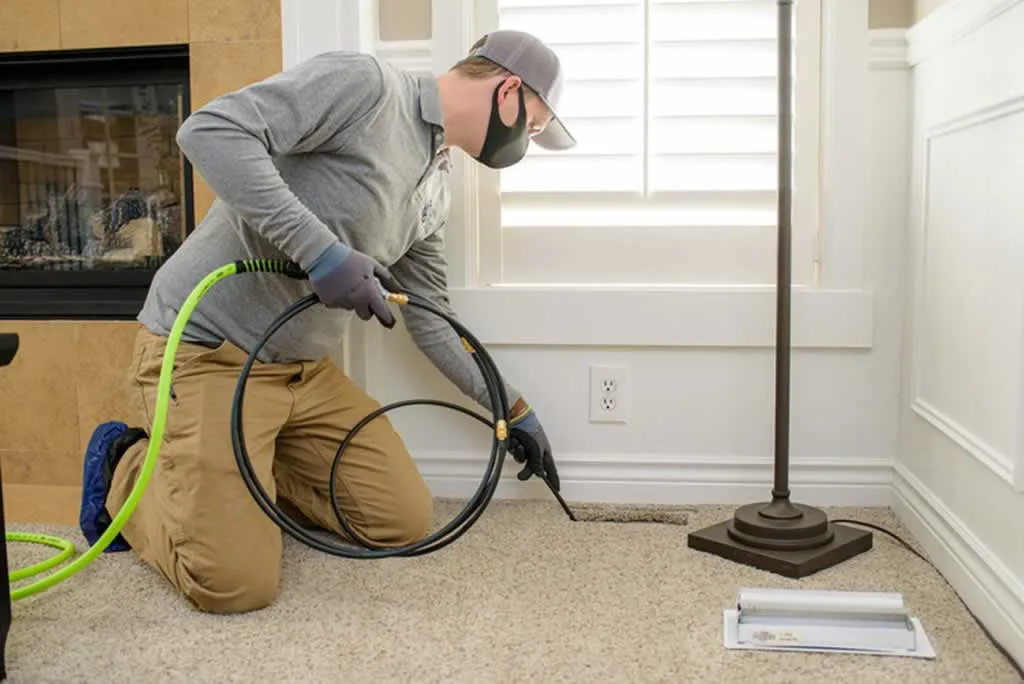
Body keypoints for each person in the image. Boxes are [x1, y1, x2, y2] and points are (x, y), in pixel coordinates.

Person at [78, 30, 576, 614]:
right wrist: (321, 253)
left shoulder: (436, 191)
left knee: (403, 521)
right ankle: (126, 466)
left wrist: (511, 408)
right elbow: (209, 131)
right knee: (234, 584)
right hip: (207, 350)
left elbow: (434, 322)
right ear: (509, 90)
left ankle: (242, 475)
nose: (530, 140)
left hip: (301, 374)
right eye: (537, 125)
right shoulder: (367, 89)